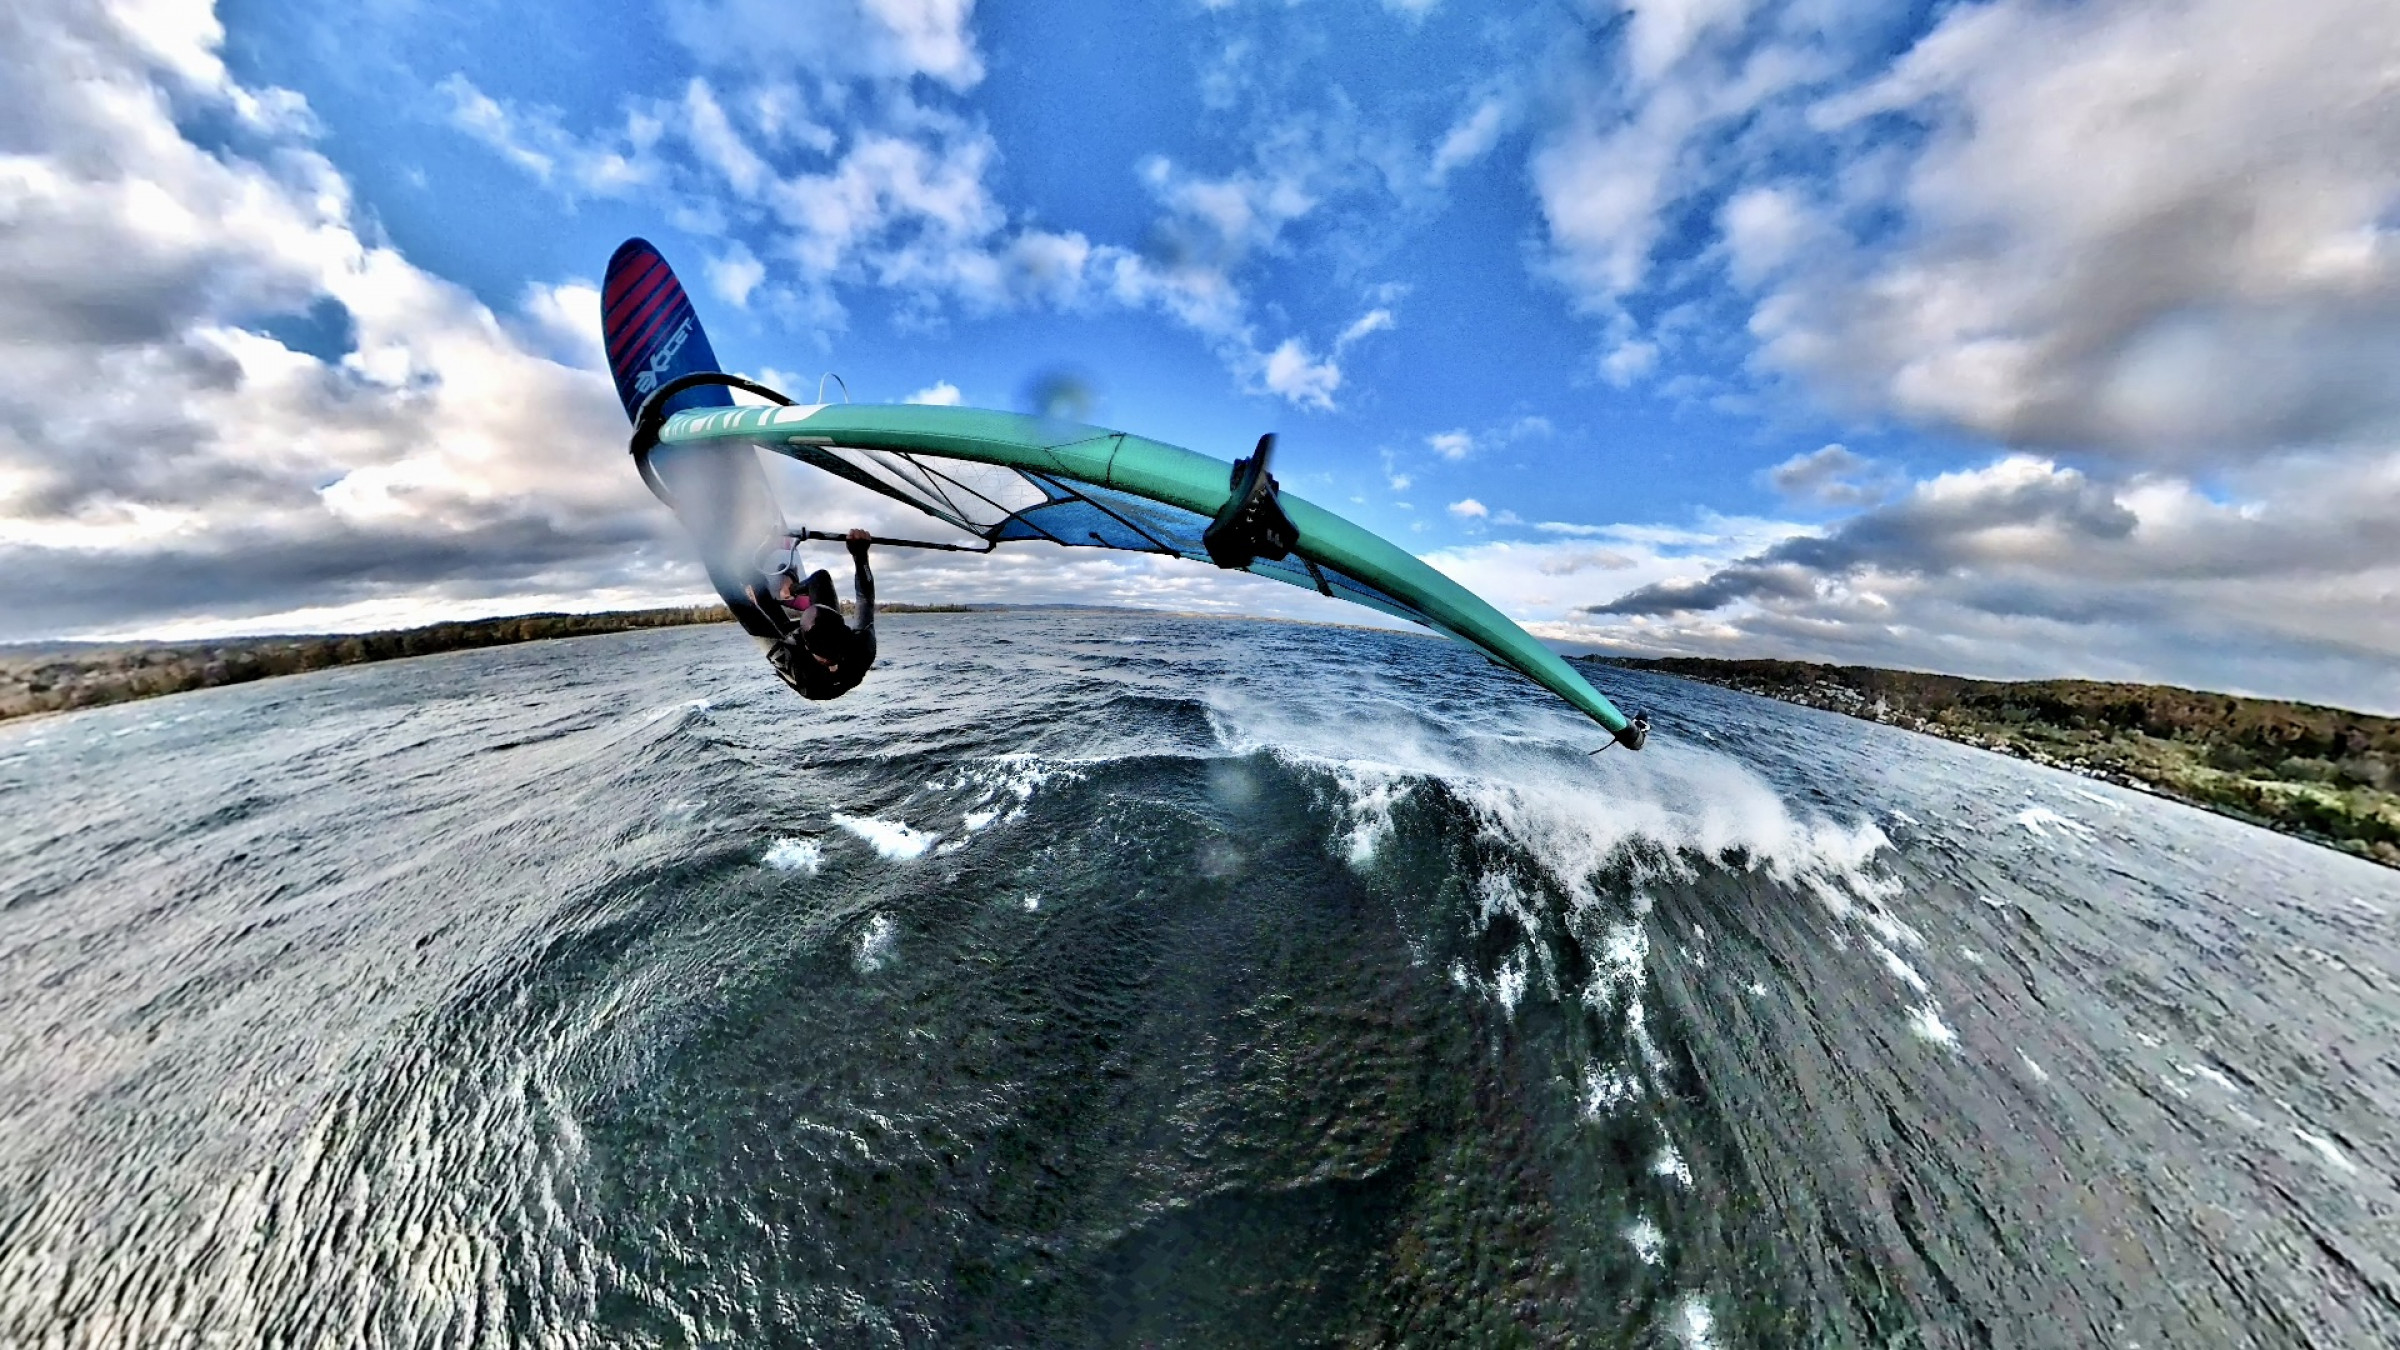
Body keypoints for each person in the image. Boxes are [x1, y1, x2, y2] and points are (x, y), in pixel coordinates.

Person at [766, 528, 876, 699]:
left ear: (804, 642)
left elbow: (751, 621)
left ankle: (774, 596)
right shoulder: (863, 648)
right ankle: (789, 590)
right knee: (820, 579)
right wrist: (860, 555)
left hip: (809, 677)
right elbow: (865, 599)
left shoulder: (796, 663)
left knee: (761, 604)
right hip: (834, 657)